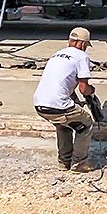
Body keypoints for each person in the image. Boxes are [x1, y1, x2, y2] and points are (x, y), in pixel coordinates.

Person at [33, 27, 97, 172]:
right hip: (58, 105)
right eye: (86, 45)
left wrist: (75, 101)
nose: (86, 48)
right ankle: (79, 164)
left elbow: (63, 84)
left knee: (64, 125)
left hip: (40, 104)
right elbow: (83, 88)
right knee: (86, 125)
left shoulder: (57, 54)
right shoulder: (81, 57)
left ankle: (64, 162)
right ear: (82, 43)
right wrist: (91, 91)